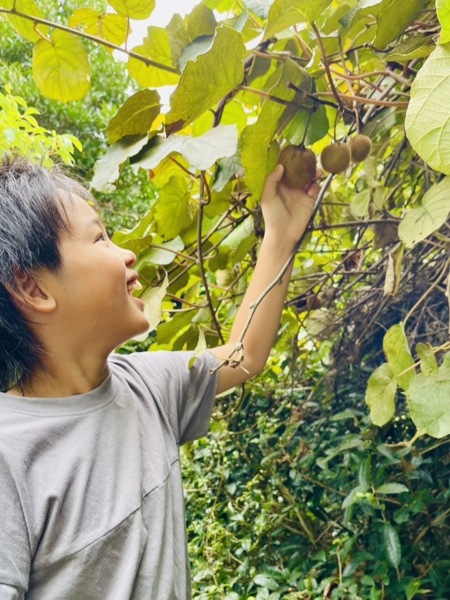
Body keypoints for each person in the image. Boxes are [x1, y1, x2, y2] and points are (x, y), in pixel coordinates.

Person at [0, 154, 320, 600]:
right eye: (100, 238)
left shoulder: (148, 385)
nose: (128, 254)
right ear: (33, 288)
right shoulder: (8, 453)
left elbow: (243, 354)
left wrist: (281, 235)